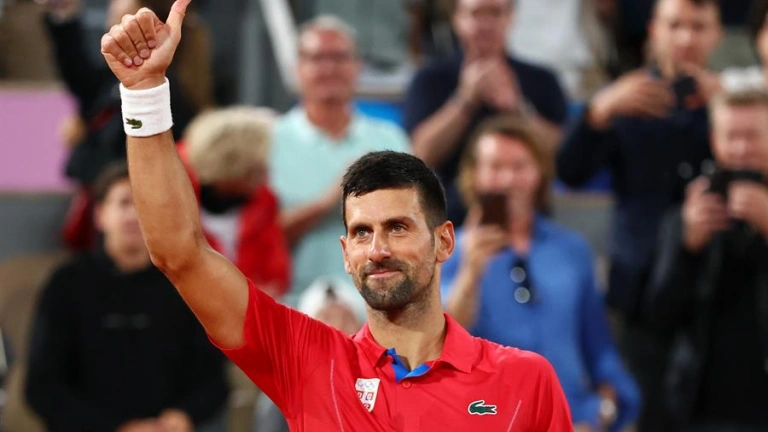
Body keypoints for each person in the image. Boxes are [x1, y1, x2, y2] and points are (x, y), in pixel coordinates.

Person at [98, 2, 573, 430]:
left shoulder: (525, 379)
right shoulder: (306, 361)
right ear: (345, 253)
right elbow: (179, 254)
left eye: (398, 227)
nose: (378, 249)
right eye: (361, 233)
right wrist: (144, 94)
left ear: (444, 241)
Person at [556, 1, 722, 428]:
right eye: (675, 25)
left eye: (698, 26)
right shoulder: (627, 98)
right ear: (653, 30)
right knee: (648, 415)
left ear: (717, 34)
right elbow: (569, 172)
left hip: (718, 284)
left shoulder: (729, 102)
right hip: (641, 289)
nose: (686, 37)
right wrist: (599, 112)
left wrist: (724, 111)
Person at [442, 116, 640, 432]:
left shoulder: (572, 250)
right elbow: (442, 342)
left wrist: (606, 409)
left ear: (539, 173)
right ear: (474, 175)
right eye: (495, 167)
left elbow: (598, 346)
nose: (508, 179)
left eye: (520, 167)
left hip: (573, 419)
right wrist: (471, 271)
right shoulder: (446, 254)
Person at [25, 163, 229, 432]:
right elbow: (42, 386)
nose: (134, 215)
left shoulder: (183, 285)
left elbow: (214, 379)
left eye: (143, 205)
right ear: (100, 214)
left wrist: (184, 415)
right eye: (123, 203)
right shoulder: (67, 283)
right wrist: (118, 428)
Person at [41, 0, 213, 250]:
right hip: (105, 197)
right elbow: (83, 82)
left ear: (150, 25)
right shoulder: (120, 76)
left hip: (143, 200)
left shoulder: (167, 89)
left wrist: (89, 130)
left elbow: (136, 139)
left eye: (121, 19)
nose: (110, 27)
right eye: (112, 18)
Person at [648, 90, 768, 432]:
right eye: (732, 137)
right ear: (715, 141)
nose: (742, 149)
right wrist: (687, 249)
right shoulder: (685, 216)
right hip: (700, 409)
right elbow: (658, 318)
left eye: (753, 136)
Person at [270, 15, 410, 304]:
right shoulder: (270, 142)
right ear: (297, 68)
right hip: (291, 302)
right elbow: (255, 240)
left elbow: (412, 228)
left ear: (357, 66)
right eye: (317, 58)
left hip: (377, 302)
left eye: (339, 57)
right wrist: (326, 203)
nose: (329, 68)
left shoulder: (390, 139)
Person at [403, 0, 568, 226]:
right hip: (447, 222)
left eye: (495, 13)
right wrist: (464, 100)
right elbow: (420, 153)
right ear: (457, 19)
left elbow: (559, 153)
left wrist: (516, 107)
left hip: (530, 225)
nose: (486, 24)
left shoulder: (542, 80)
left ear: (510, 18)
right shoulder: (429, 79)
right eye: (476, 14)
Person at [180, 107, 291, 299]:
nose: (266, 173)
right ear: (231, 167)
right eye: (256, 168)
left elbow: (276, 276)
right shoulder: (175, 197)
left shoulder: (264, 202)